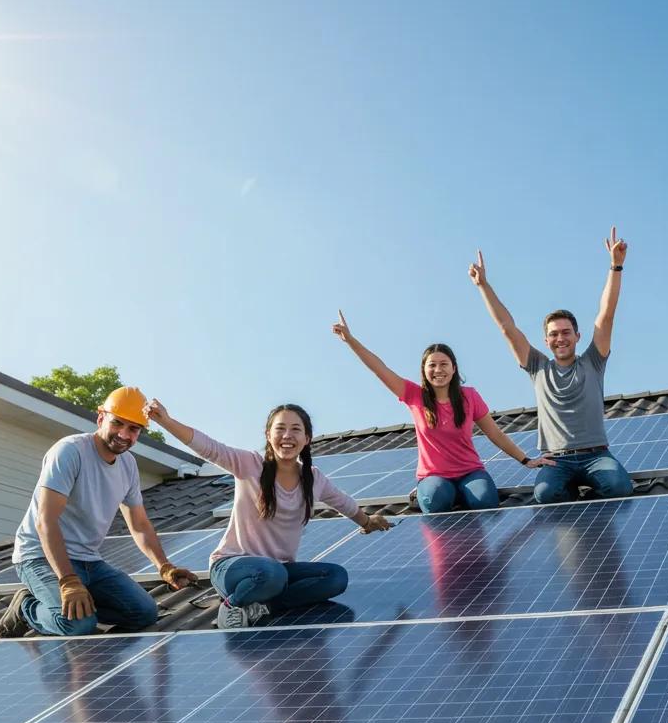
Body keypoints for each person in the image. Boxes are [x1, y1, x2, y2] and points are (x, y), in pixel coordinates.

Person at [147, 399, 391, 629]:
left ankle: (263, 605)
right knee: (272, 573)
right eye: (280, 428)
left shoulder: (314, 478)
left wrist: (368, 521)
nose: (287, 435)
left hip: (277, 571)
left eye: (296, 429)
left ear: (307, 438)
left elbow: (344, 503)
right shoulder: (249, 463)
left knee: (336, 577)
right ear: (268, 435)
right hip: (232, 567)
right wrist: (165, 421)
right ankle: (232, 605)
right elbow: (208, 447)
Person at [0, 387, 197, 638]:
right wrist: (68, 581)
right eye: (118, 423)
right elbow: (45, 521)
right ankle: (27, 608)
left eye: (133, 429)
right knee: (78, 626)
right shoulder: (70, 451)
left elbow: (139, 525)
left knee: (144, 613)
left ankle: (77, 605)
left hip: (88, 560)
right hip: (40, 557)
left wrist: (164, 567)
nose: (124, 434)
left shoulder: (128, 465)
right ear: (101, 418)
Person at [468, 228, 634, 504]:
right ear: (546, 341)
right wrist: (483, 285)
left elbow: (606, 315)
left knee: (618, 485)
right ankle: (571, 496)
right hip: (557, 460)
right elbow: (507, 327)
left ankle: (587, 497)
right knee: (545, 494)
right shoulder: (537, 367)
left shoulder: (593, 361)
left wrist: (615, 266)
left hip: (596, 455)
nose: (561, 338)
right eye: (554, 334)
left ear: (577, 336)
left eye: (566, 332)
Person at [331, 311, 553, 513]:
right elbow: (379, 368)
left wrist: (525, 460)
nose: (438, 370)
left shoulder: (470, 396)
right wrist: (350, 340)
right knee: (437, 498)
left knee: (485, 501)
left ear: (454, 368)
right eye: (432, 365)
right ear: (424, 370)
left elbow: (494, 433)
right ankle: (429, 491)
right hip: (433, 476)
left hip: (470, 472)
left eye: (444, 364)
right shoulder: (414, 395)